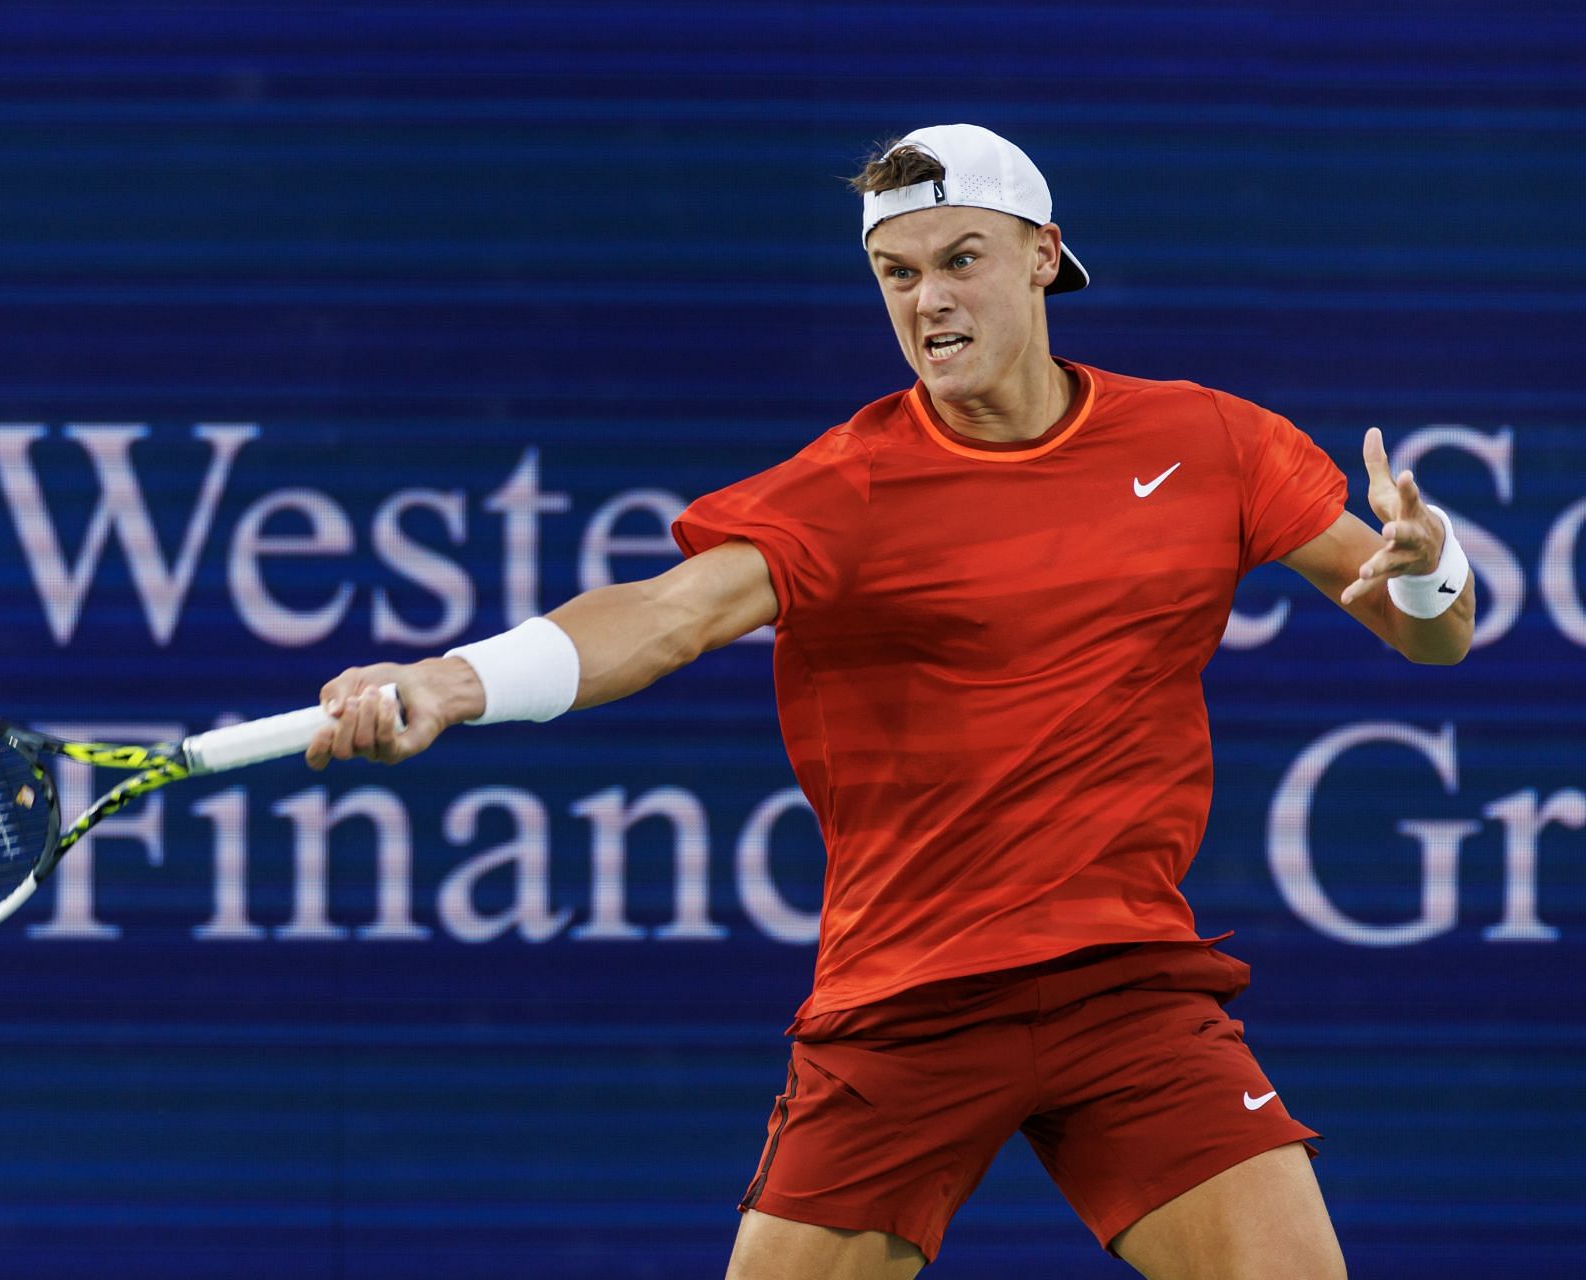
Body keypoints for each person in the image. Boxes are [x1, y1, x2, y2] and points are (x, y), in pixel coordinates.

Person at [304, 124, 1473, 1280]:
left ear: (1041, 256)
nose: (928, 303)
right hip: (908, 1003)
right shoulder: (849, 486)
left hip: (1125, 989)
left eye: (961, 259)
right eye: (897, 275)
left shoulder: (1208, 440)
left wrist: (1422, 563)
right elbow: (667, 613)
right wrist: (451, 683)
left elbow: (1436, 637)